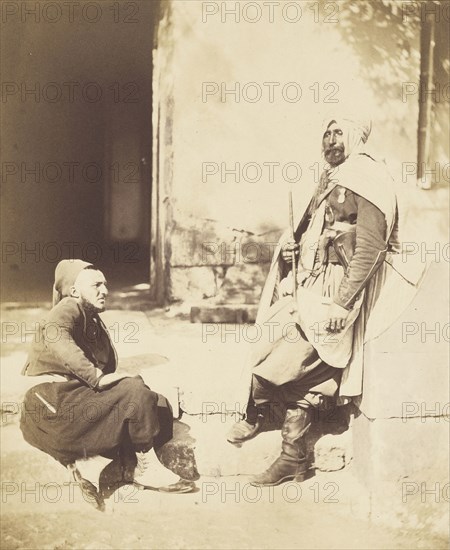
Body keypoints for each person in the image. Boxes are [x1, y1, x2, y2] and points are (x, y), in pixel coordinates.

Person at [227, 116, 400, 487]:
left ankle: (292, 454)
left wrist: (340, 303)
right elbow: (305, 230)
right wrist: (290, 248)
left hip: (338, 290)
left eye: (339, 132)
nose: (330, 140)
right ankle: (261, 416)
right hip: (307, 282)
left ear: (355, 136)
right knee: (265, 344)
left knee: (297, 359)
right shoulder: (329, 179)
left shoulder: (367, 178)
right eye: (326, 132)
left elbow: (370, 247)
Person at [20, 259, 197, 508]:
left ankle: (90, 461)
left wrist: (111, 381)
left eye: (105, 284)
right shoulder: (66, 309)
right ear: (74, 291)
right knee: (134, 391)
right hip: (52, 402)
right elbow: (59, 340)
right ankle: (144, 465)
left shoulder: (91, 320)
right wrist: (98, 377)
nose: (105, 290)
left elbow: (109, 369)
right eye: (96, 285)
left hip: (74, 401)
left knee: (157, 404)